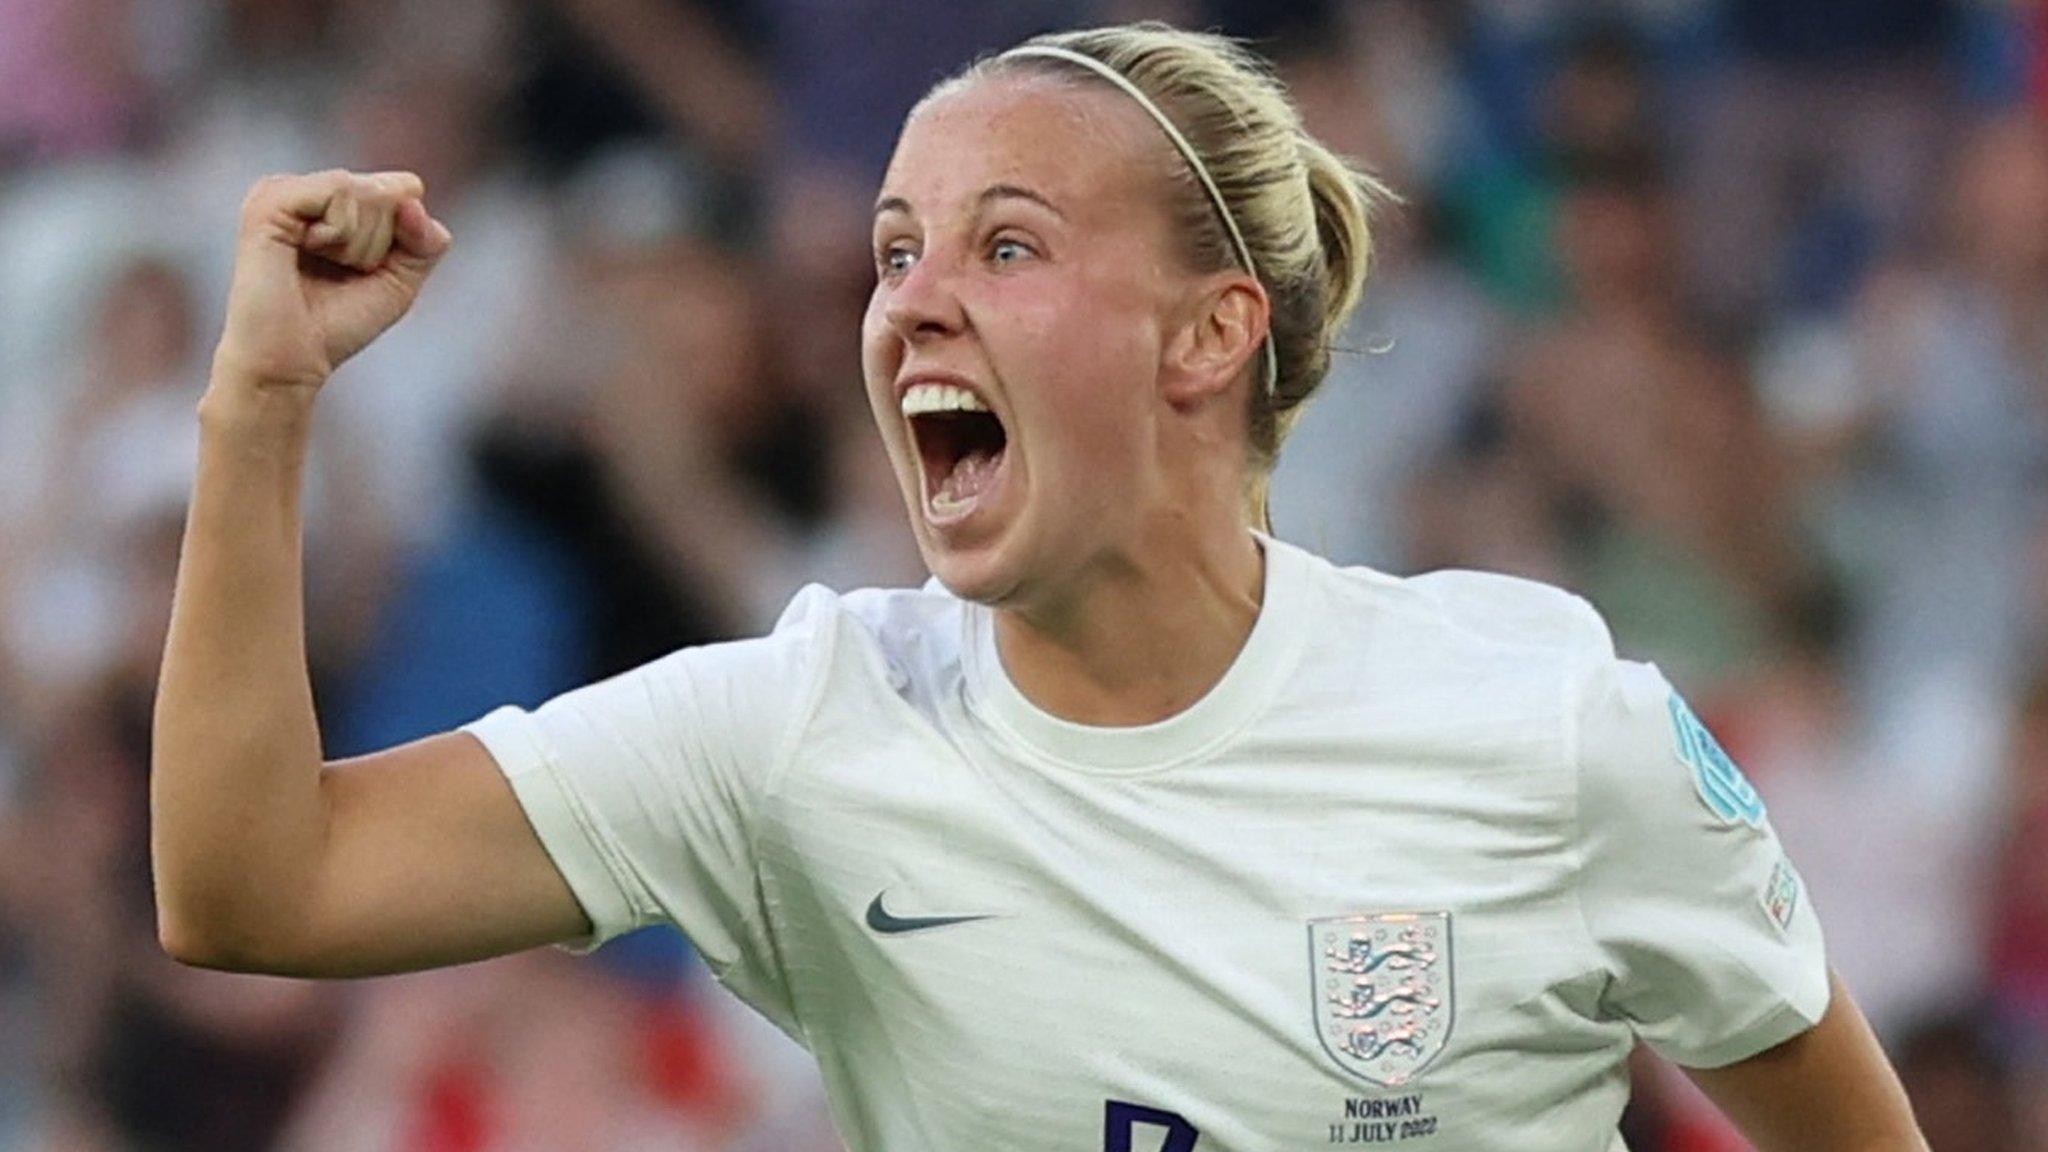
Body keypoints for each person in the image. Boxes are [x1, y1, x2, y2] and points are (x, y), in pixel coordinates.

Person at [151, 22, 1927, 1152]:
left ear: (1210, 336)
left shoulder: (1543, 731)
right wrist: (260, 407)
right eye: (895, 251)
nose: (912, 300)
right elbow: (254, 887)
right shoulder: (796, 733)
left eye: (1006, 246)